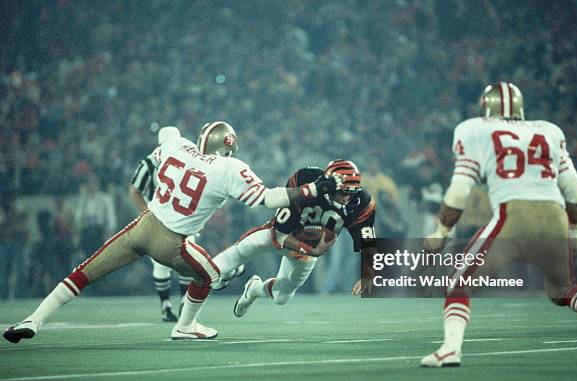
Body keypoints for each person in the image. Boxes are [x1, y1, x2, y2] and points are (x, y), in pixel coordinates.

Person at [3, 121, 342, 343]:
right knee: (210, 275)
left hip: (141, 226)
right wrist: (312, 190)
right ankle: (184, 326)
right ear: (227, 148)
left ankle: (33, 320)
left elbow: (166, 131)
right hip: (172, 242)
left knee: (83, 273)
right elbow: (267, 199)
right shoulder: (229, 167)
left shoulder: (175, 146)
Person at [418, 82, 577, 367]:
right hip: (555, 215)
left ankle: (450, 349)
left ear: (486, 107)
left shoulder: (474, 129)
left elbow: (459, 191)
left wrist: (441, 232)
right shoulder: (548, 130)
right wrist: (574, 233)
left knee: (459, 281)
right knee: (563, 289)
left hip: (514, 214)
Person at [196, 160, 376, 321]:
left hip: (308, 250)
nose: (347, 198)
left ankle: (255, 289)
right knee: (238, 253)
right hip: (281, 233)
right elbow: (279, 233)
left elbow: (368, 241)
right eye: (342, 192)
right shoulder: (306, 181)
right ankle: (190, 304)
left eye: (351, 193)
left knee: (282, 297)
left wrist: (368, 274)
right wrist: (310, 249)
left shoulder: (362, 202)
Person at [129, 126, 192, 322]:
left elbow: (134, 191)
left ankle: (179, 302)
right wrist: (148, 213)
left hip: (180, 218)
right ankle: (169, 305)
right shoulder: (153, 162)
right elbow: (134, 191)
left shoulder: (151, 161)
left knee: (184, 260)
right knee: (168, 262)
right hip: (169, 218)